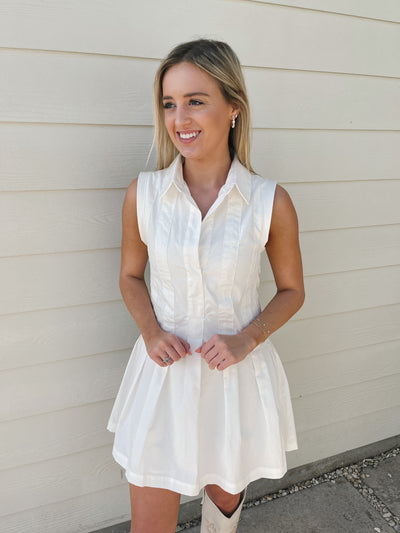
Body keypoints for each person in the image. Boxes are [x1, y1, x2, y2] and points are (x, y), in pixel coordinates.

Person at [107, 38, 305, 533]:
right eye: (170, 104)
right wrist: (151, 331)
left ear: (233, 108)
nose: (180, 118)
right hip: (163, 377)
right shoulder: (145, 195)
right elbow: (130, 276)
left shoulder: (268, 202)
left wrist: (247, 337)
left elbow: (292, 290)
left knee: (221, 523)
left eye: (196, 101)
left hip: (232, 377)